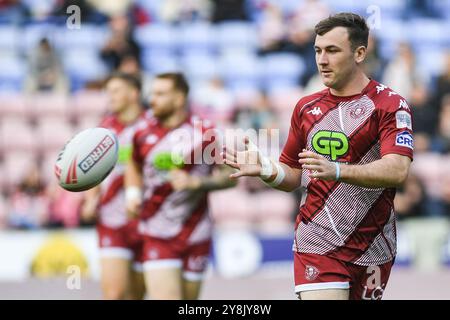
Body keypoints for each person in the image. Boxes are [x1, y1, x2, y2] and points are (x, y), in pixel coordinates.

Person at [222, 13, 413, 300]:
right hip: (317, 240)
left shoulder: (389, 105)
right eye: (318, 51)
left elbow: (397, 170)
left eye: (332, 51)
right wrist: (266, 170)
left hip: (374, 245)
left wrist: (337, 170)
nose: (322, 60)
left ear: (359, 53)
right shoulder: (305, 107)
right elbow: (293, 174)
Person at [125, 72, 236, 300]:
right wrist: (133, 193)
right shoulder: (142, 131)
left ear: (179, 99)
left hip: (196, 233)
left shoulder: (205, 133)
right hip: (156, 230)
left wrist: (198, 182)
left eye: (160, 94)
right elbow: (133, 166)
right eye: (152, 93)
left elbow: (230, 175)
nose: (152, 99)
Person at [81, 72, 146, 300]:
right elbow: (94, 169)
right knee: (114, 294)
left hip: (146, 220)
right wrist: (90, 199)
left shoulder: (151, 126)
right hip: (111, 219)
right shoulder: (105, 128)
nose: (110, 96)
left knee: (136, 294)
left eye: (116, 91)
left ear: (134, 93)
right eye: (108, 92)